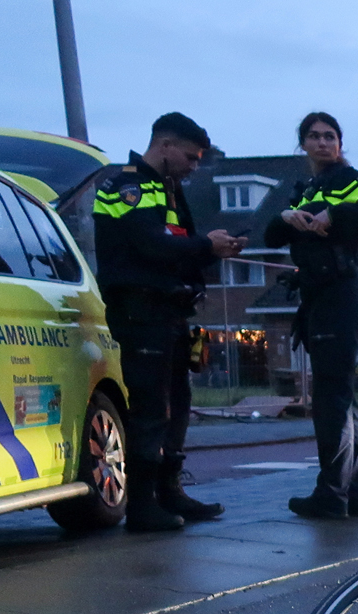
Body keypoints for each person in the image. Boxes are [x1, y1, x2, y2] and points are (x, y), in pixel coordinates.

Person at [93, 112, 244, 531]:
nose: (195, 166)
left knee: (176, 404)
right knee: (150, 407)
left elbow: (176, 245)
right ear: (165, 146)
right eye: (192, 157)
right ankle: (142, 506)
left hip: (169, 312)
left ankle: (170, 492)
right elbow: (151, 245)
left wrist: (211, 250)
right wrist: (205, 247)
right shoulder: (129, 185)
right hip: (142, 311)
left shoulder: (166, 189)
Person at [264, 112, 358, 520]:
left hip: (341, 294)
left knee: (332, 401)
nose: (323, 143)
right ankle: (355, 496)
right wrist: (285, 218)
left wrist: (337, 215)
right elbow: (271, 237)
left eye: (330, 136)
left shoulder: (348, 180)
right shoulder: (306, 189)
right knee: (341, 398)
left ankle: (331, 494)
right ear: (302, 144)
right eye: (314, 136)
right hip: (319, 298)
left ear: (340, 144)